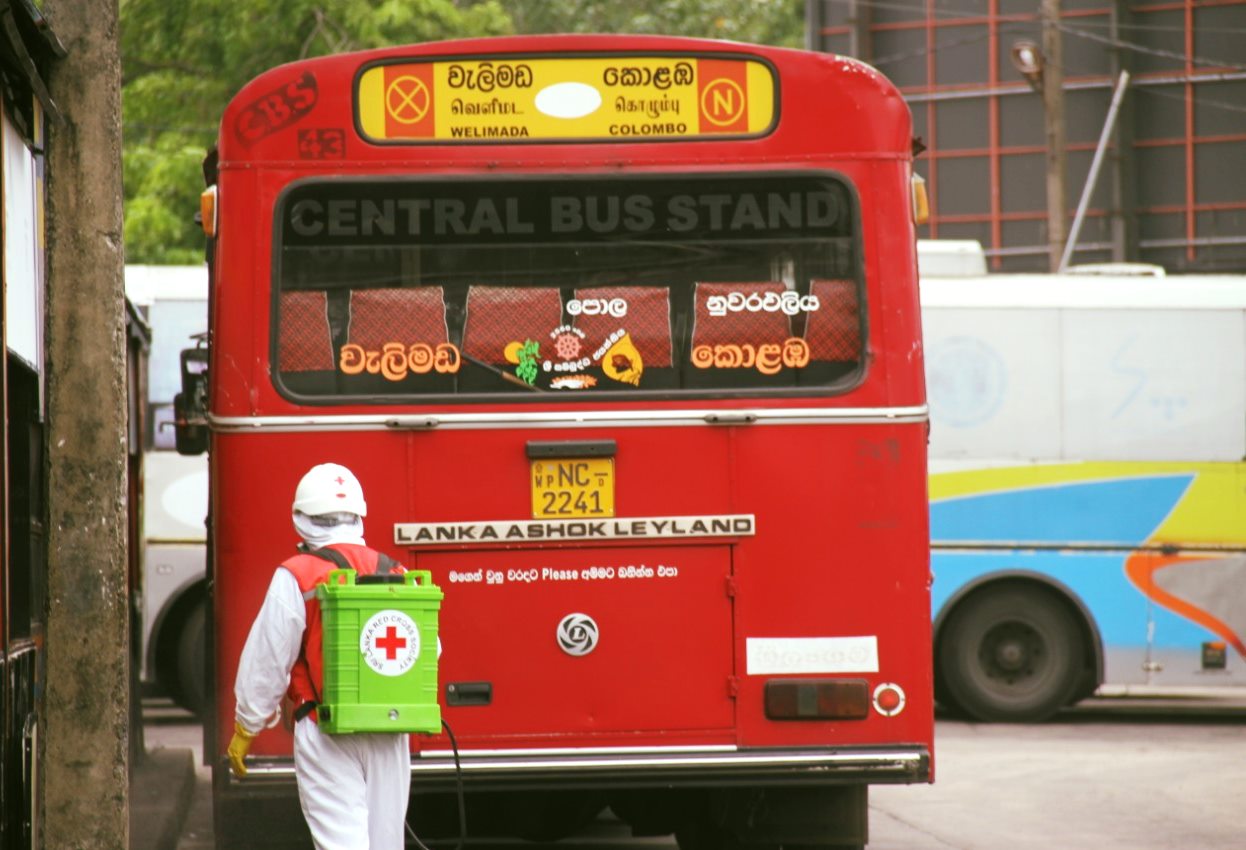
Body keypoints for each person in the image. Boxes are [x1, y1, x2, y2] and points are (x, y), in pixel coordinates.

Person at [227, 462, 411, 850]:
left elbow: (267, 659)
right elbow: (428, 649)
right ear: (359, 515)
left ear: (301, 517)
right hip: (390, 729)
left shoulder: (297, 574)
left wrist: (247, 727)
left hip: (325, 728)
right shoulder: (395, 571)